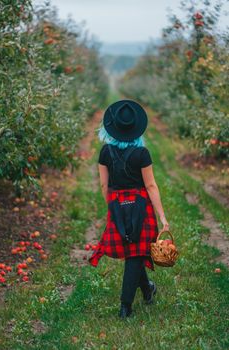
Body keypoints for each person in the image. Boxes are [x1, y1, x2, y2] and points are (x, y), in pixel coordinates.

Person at [89, 99, 169, 319]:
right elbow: (151, 185)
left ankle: (147, 288)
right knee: (136, 253)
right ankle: (126, 307)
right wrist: (162, 217)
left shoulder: (105, 152)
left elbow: (105, 185)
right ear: (136, 127)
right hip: (140, 206)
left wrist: (113, 209)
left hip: (117, 205)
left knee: (134, 252)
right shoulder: (141, 153)